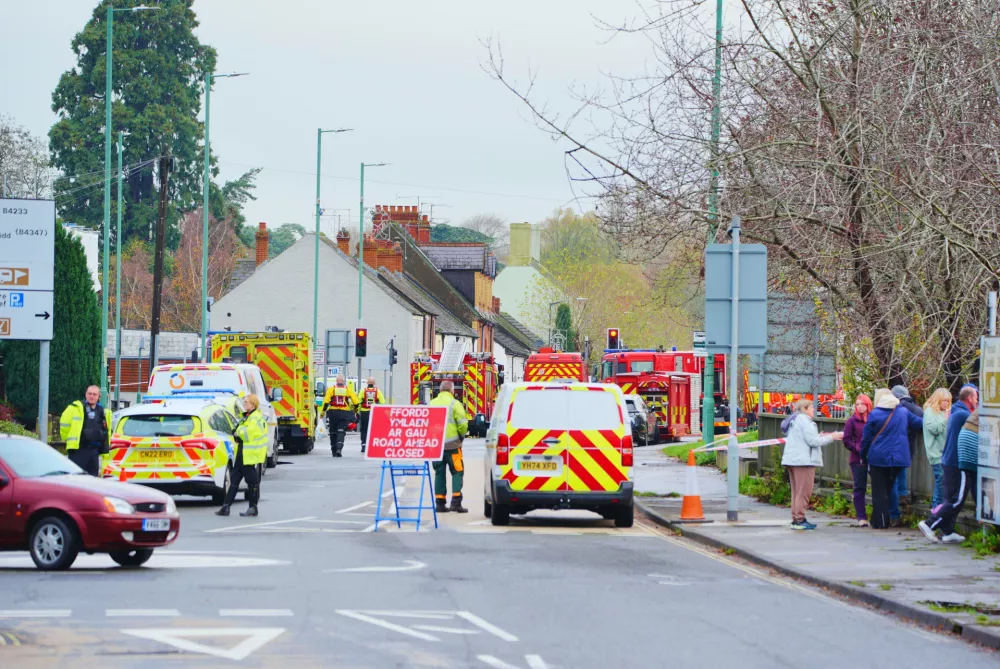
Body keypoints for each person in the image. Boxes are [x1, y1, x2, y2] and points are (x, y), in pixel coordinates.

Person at [919, 385, 979, 543]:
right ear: (970, 398)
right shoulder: (963, 414)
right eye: (976, 397)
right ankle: (929, 524)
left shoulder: (955, 412)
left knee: (951, 497)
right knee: (957, 499)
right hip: (957, 461)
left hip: (947, 458)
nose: (978, 400)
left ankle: (947, 531)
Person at [860, 388, 923, 529]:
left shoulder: (875, 414)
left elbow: (866, 438)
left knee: (879, 490)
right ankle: (881, 518)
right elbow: (920, 423)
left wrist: (863, 455)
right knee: (889, 488)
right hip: (898, 459)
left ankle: (881, 521)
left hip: (878, 458)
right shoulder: (903, 412)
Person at [780, 399, 843, 530]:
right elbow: (812, 442)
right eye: (811, 408)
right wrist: (833, 436)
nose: (814, 410)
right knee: (804, 492)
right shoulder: (805, 421)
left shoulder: (795, 420)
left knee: (796, 492)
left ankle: (796, 518)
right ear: (804, 408)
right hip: (803, 461)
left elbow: (804, 439)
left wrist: (818, 436)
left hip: (792, 460)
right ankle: (799, 519)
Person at [216, 394, 268, 517]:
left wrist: (237, 432)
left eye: (246, 402)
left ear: (253, 404)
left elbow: (247, 433)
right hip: (242, 452)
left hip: (249, 454)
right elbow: (239, 429)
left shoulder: (255, 418)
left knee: (252, 482)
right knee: (234, 480)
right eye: (244, 402)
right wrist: (237, 431)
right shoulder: (248, 417)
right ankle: (226, 507)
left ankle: (253, 508)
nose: (244, 404)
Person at [430, 380, 469, 513]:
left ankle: (440, 503)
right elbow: (463, 424)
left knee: (439, 473)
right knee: (457, 472)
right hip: (453, 446)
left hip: (436, 446)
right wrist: (461, 437)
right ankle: (456, 502)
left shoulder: (432, 403)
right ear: (452, 391)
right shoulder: (455, 404)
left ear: (440, 390)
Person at [888, 385, 923, 526]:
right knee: (901, 472)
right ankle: (903, 494)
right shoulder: (915, 408)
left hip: (892, 448)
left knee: (892, 480)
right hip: (907, 446)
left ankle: (894, 511)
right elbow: (921, 423)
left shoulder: (895, 409)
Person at [59, 385, 112, 476]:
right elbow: (64, 425)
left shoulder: (103, 411)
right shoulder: (75, 408)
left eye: (94, 394)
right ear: (86, 394)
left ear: (99, 396)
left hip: (94, 451)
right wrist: (68, 440)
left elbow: (107, 431)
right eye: (89, 393)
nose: (92, 396)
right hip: (78, 450)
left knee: (92, 479)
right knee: (76, 478)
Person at [842, 394, 872, 527]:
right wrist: (857, 448)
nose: (860, 406)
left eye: (862, 404)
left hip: (872, 457)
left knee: (877, 486)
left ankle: (877, 516)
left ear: (868, 405)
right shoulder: (852, 421)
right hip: (857, 459)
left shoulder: (872, 419)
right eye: (857, 404)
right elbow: (846, 439)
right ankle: (861, 517)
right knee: (860, 487)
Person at [922, 388, 952, 509]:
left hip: (947, 452)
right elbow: (934, 428)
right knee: (941, 480)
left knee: (945, 481)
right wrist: (946, 418)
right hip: (936, 453)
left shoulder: (945, 412)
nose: (946, 403)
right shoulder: (930, 412)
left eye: (948, 401)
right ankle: (936, 506)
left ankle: (941, 506)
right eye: (944, 400)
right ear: (937, 400)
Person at [321, 375, 359, 457]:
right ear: (343, 381)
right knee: (341, 431)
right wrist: (355, 411)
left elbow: (326, 402)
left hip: (333, 412)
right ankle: (339, 449)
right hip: (344, 413)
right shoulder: (348, 389)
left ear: (336, 381)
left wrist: (322, 413)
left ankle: (333, 450)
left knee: (333, 431)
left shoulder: (332, 389)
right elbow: (356, 402)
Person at [357, 377, 386, 454]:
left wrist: (357, 412)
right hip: (374, 412)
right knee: (374, 429)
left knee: (364, 429)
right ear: (374, 383)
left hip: (364, 412)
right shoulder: (378, 392)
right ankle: (373, 445)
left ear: (367, 383)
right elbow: (383, 403)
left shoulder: (362, 391)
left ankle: (364, 445)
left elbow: (358, 403)